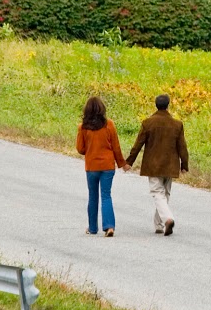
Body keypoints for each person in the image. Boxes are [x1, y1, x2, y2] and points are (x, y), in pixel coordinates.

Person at [126, 93, 188, 236]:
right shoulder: (177, 124)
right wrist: (184, 164)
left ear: (156, 105)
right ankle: (159, 225)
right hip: (170, 165)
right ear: (168, 105)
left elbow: (138, 144)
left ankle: (167, 219)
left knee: (157, 193)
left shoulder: (148, 123)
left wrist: (129, 161)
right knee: (165, 194)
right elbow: (182, 147)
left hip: (153, 165)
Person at [76, 95, 126, 237]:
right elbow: (116, 147)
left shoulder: (83, 127)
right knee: (106, 195)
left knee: (93, 196)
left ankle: (92, 228)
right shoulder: (109, 124)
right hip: (107, 166)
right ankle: (109, 226)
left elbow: (80, 149)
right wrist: (122, 163)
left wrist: (90, 148)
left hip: (92, 166)